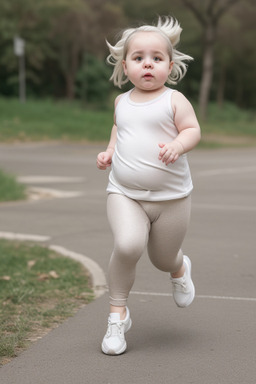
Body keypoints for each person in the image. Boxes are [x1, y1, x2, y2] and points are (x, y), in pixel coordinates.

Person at [96, 16, 201, 355]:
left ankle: (179, 268)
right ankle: (117, 315)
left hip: (171, 199)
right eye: (138, 58)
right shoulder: (121, 102)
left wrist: (178, 145)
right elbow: (119, 128)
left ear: (169, 66)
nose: (147, 64)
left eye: (156, 58)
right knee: (127, 245)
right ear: (125, 65)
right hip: (125, 193)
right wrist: (110, 151)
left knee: (162, 258)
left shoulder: (174, 100)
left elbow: (192, 130)